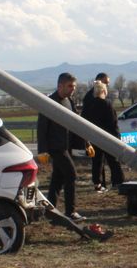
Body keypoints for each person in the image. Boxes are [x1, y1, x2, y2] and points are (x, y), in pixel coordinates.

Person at [37, 72, 87, 220]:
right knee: (71, 175)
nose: (73, 89)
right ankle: (70, 212)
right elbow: (42, 128)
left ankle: (50, 210)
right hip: (56, 148)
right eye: (70, 86)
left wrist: (86, 143)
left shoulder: (69, 101)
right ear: (60, 86)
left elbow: (77, 123)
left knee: (57, 179)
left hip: (66, 146)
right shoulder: (49, 103)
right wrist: (42, 151)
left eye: (74, 86)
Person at [81, 77, 124, 191]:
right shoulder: (107, 104)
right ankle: (118, 183)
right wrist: (118, 139)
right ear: (104, 91)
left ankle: (98, 184)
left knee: (97, 162)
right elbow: (113, 124)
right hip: (108, 137)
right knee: (113, 162)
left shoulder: (89, 105)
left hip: (94, 137)